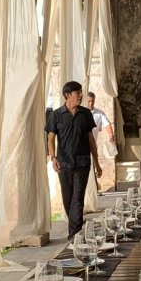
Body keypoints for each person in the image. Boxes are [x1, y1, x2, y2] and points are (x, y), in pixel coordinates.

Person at [47, 81, 101, 238]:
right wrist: (53, 157)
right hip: (63, 164)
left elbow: (91, 140)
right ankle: (75, 231)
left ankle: (75, 235)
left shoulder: (86, 114)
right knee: (68, 199)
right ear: (68, 95)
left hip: (82, 163)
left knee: (78, 198)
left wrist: (97, 163)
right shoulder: (56, 115)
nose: (81, 96)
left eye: (81, 92)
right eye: (78, 93)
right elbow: (50, 138)